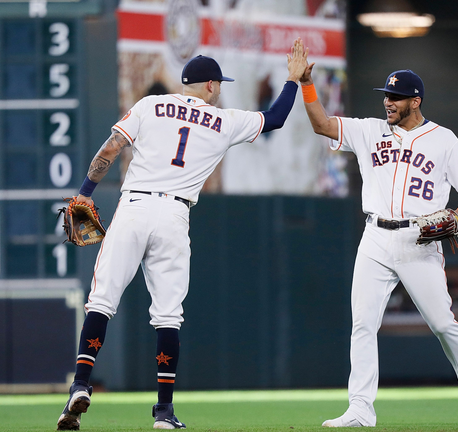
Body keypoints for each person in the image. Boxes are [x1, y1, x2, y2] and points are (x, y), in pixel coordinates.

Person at [56, 38, 310, 431]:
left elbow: (111, 148)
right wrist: (292, 80)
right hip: (175, 214)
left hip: (135, 206)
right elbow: (274, 118)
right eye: (219, 83)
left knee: (101, 302)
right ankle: (163, 412)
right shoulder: (223, 119)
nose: (220, 89)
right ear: (210, 86)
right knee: (168, 316)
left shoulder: (150, 105)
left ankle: (80, 383)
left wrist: (84, 194)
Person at [298, 65, 458, 427]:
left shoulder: (443, 139)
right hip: (375, 236)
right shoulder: (370, 131)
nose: (388, 102)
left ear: (415, 101)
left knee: (442, 324)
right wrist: (307, 84)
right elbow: (322, 124)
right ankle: (360, 409)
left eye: (396, 97)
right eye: (386, 95)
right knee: (363, 324)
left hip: (419, 239)